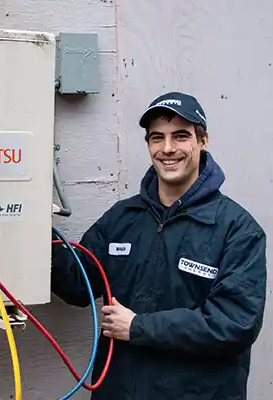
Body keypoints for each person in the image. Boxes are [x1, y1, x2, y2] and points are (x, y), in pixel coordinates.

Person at [51, 91, 267, 400]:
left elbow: (234, 324)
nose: (167, 149)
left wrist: (138, 326)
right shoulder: (122, 218)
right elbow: (77, 284)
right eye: (157, 138)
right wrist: (34, 236)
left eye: (180, 136)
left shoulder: (237, 229)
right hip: (121, 391)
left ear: (203, 141)